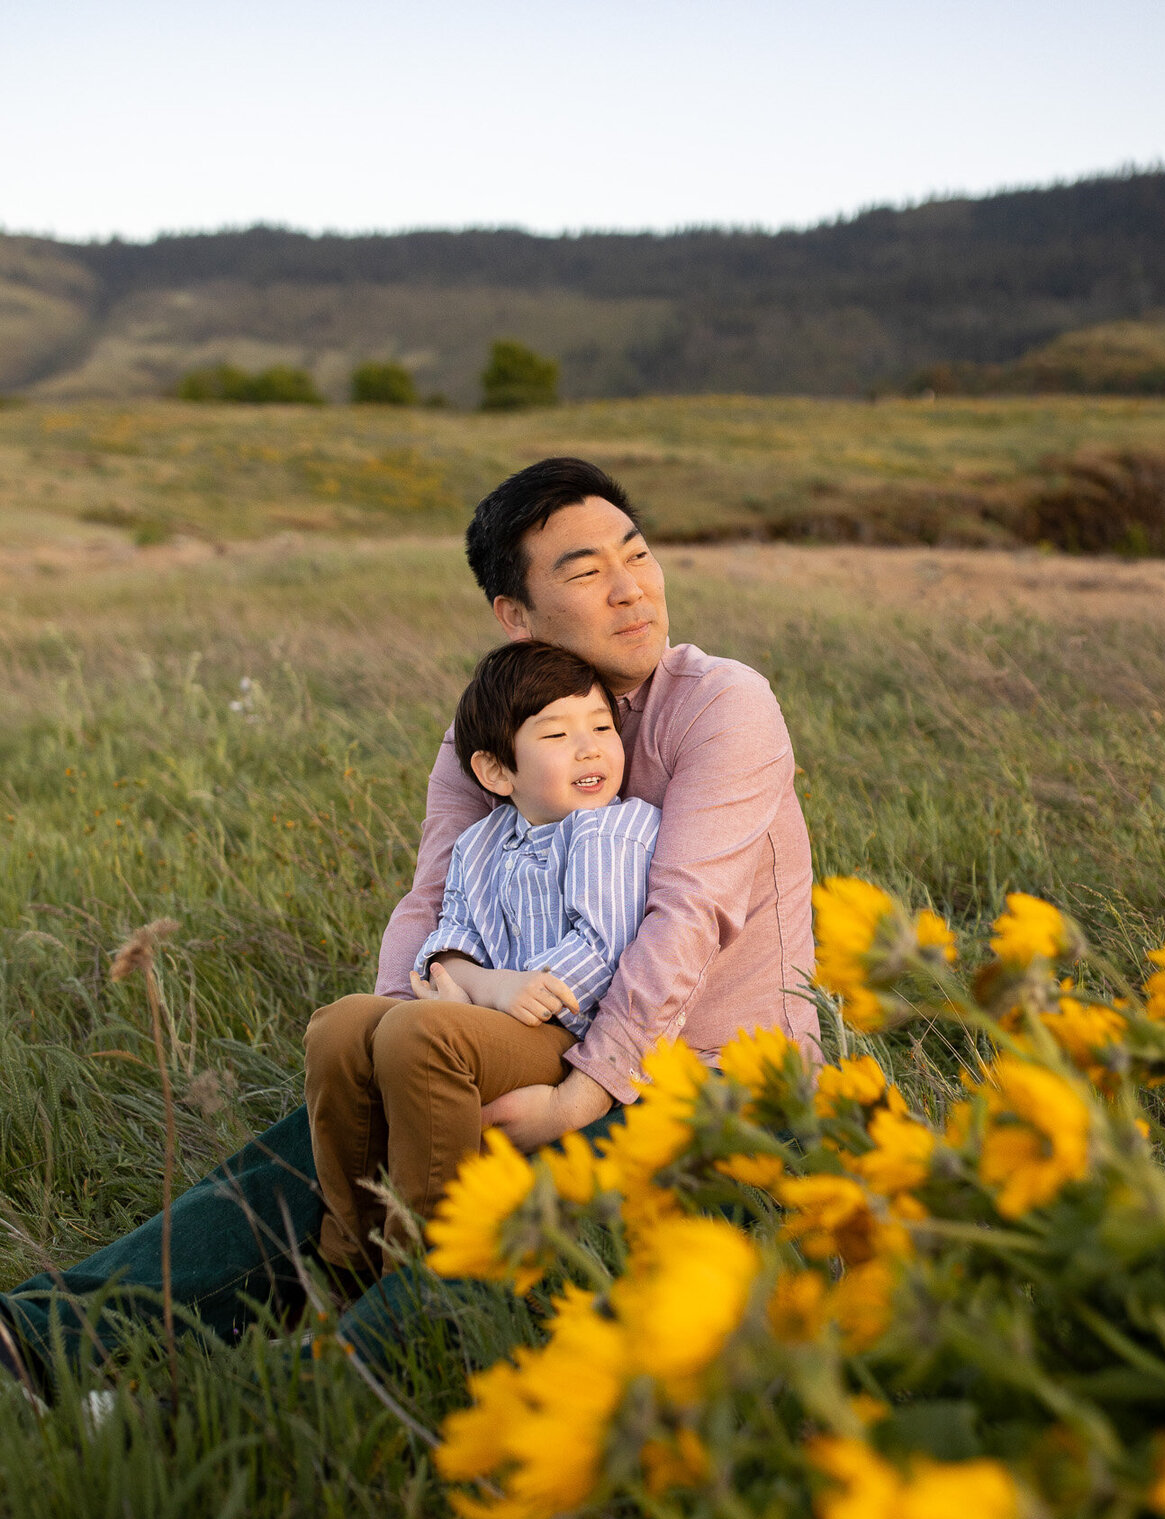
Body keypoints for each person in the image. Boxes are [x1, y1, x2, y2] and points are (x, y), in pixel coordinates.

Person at [0, 456, 817, 1399]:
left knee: (486, 1237)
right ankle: (37, 1340)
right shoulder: (490, 731)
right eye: (587, 573)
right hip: (526, 1043)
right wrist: (402, 1045)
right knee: (317, 1140)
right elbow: (430, 901)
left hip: (709, 1090)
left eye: (637, 555)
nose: (632, 588)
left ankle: (239, 1414)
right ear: (516, 615)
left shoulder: (722, 705)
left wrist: (578, 1099)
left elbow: (686, 915)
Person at [305, 638, 659, 1272]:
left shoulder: (614, 829)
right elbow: (450, 942)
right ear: (498, 772)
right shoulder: (479, 843)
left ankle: (424, 1277)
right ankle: (345, 1262)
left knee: (422, 1031)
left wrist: (488, 995)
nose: (590, 748)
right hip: (494, 1016)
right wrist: (481, 985)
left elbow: (604, 951)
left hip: (569, 1033)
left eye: (603, 726)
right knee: (341, 1024)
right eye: (556, 735)